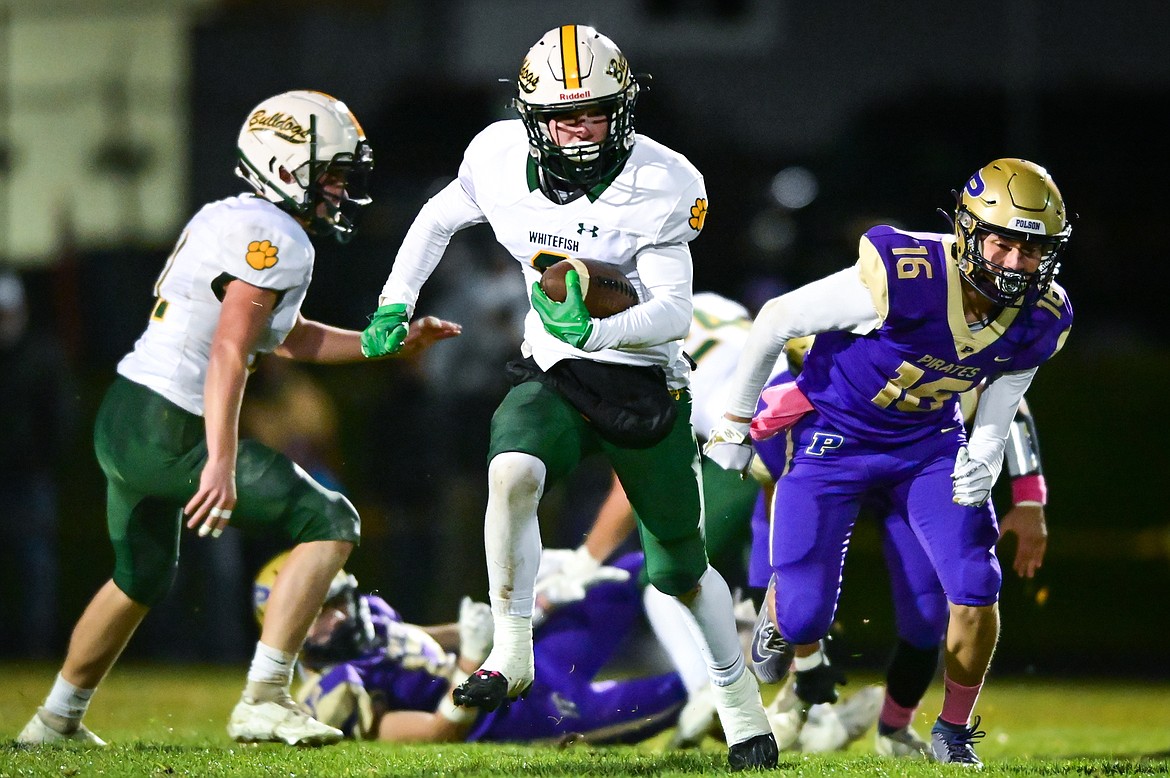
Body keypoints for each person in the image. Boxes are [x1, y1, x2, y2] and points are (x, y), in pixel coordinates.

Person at [359, 25, 777, 769]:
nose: (580, 130)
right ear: (530, 118)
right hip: (554, 370)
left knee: (680, 571)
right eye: (563, 116)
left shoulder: (664, 181)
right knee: (510, 472)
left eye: (595, 112)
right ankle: (512, 647)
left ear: (622, 110)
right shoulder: (495, 159)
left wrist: (594, 322)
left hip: (645, 380)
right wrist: (395, 299)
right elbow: (437, 217)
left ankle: (742, 709)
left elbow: (674, 313)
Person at [16, 90, 461, 747]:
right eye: (332, 174)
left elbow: (281, 336)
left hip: (127, 408)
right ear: (286, 167)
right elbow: (231, 347)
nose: (340, 190)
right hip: (171, 419)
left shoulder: (233, 216)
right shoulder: (277, 238)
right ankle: (264, 696)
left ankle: (55, 719)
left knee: (138, 577)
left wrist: (379, 342)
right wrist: (220, 460)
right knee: (330, 517)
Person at [706, 158, 1073, 767]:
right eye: (1003, 242)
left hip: (927, 446)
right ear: (968, 231)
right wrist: (736, 422)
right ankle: (784, 618)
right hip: (833, 441)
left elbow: (1008, 392)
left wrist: (989, 465)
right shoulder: (909, 273)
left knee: (974, 583)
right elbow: (776, 321)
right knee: (801, 614)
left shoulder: (1042, 315)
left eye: (1032, 250)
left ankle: (952, 734)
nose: (1015, 263)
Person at [749, 338, 1054, 758]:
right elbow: (774, 500)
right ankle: (793, 663)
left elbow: (1009, 400)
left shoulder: (939, 345)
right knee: (799, 606)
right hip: (833, 454)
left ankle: (895, 728)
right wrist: (797, 632)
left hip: (920, 460)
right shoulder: (793, 393)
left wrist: (1028, 495)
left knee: (929, 614)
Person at [254, 549, 724, 745]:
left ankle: (734, 628)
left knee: (636, 566)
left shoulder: (371, 623)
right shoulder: (331, 693)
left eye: (336, 599)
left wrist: (531, 608)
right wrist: (471, 663)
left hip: (534, 662)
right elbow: (438, 732)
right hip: (521, 715)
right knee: (690, 693)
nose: (338, 615)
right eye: (319, 612)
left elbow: (427, 641)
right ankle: (758, 671)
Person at [0, 269, 80, 659]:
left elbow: (61, 418)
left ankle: (35, 649)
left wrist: (41, 461)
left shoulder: (42, 356)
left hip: (30, 482)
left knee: (35, 569)